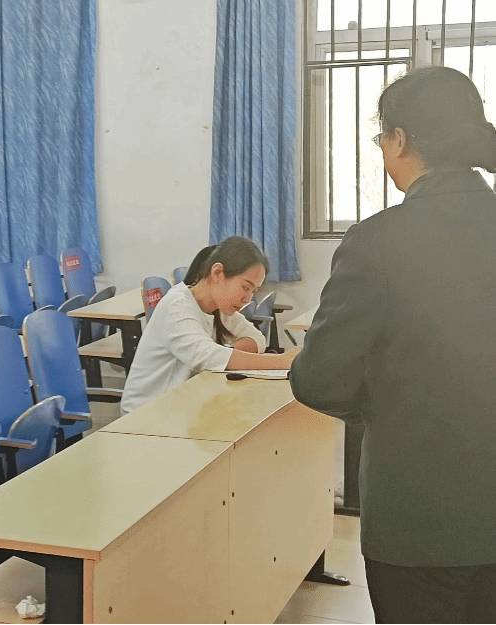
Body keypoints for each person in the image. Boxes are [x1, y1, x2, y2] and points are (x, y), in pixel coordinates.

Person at [290, 66, 496, 623]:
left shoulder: (378, 241)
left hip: (418, 517)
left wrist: (389, 406)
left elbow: (318, 379)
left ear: (400, 140)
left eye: (381, 138)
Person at [119, 236, 298, 414]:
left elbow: (257, 338)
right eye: (245, 287)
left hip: (180, 407)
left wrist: (226, 354)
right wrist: (281, 361)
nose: (248, 298)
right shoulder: (177, 305)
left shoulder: (219, 308)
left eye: (254, 291)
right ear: (217, 273)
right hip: (145, 414)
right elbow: (206, 357)